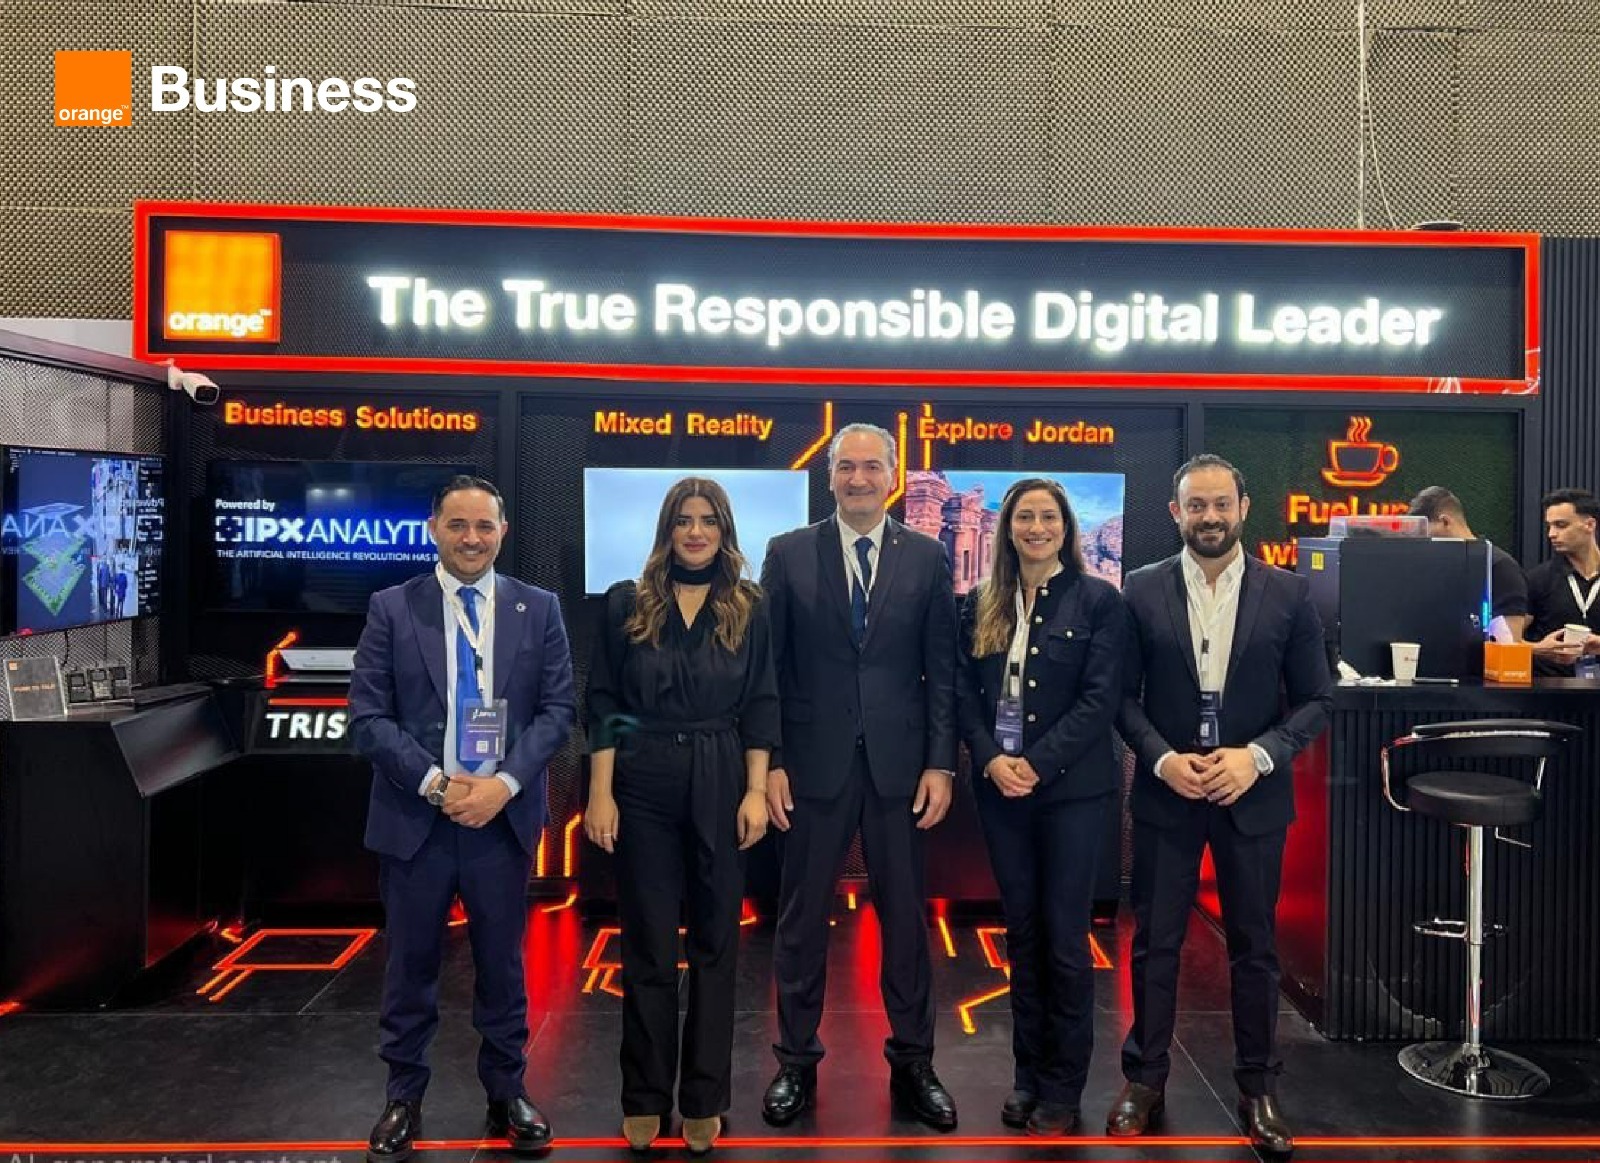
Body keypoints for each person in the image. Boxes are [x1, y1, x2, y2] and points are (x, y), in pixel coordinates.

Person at [349, 475, 576, 1163]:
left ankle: (507, 1092)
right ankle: (403, 1096)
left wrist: (501, 785)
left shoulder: (538, 608)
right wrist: (437, 783)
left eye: (483, 525)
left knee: (502, 965)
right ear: (433, 529)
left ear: (503, 531)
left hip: (499, 821)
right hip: (417, 818)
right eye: (457, 525)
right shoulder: (392, 607)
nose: (471, 538)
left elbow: (558, 711)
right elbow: (368, 717)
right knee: (409, 964)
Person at [1110, 455, 1332, 1158]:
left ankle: (1258, 1089)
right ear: (1176, 512)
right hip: (1168, 792)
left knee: (1255, 949)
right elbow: (1120, 697)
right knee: (1155, 944)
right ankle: (1144, 1079)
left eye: (1220, 504)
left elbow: (1318, 699)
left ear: (1243, 507)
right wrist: (1162, 759)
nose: (1209, 517)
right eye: (1196, 506)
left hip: (1252, 795)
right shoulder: (1141, 588)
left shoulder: (1289, 593)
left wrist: (1257, 756)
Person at [759, 422, 960, 1131]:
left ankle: (914, 1062)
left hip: (901, 768)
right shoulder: (788, 552)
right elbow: (769, 669)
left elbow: (942, 671)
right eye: (846, 466)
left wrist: (941, 761)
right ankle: (794, 1060)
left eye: (872, 466)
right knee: (800, 919)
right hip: (810, 765)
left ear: (894, 476)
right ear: (831, 477)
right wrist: (771, 761)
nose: (859, 478)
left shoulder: (928, 556)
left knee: (905, 920)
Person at [583, 477, 778, 1155]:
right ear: (667, 529)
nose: (696, 532)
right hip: (641, 778)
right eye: (684, 520)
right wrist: (600, 791)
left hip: (722, 774)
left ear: (725, 531)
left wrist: (756, 790)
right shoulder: (626, 602)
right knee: (648, 943)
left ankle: (703, 1097)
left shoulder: (749, 606)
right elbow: (604, 701)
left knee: (716, 942)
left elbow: (762, 702)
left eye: (708, 521)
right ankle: (643, 1095)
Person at [954, 478, 1127, 1136]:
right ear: (1007, 527)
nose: (1035, 527)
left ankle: (1062, 1085)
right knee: (1022, 934)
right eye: (1023, 516)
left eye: (1047, 516)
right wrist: (990, 759)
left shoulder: (1098, 600)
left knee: (1065, 939)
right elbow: (963, 695)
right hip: (1001, 792)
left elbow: (1100, 699)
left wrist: (1036, 763)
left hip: (1071, 793)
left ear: (1066, 527)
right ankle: (1026, 1075)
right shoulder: (981, 602)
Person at [1406, 486, 1529, 638]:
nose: (1425, 542)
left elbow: (1509, 641)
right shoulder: (1436, 568)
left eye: (1426, 533)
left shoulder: (1499, 566)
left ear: (1445, 522)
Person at [1523, 487, 1600, 674]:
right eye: (1549, 526)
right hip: (1549, 686)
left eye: (1561, 525)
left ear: (1589, 525)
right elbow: (1504, 640)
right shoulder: (1537, 579)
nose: (1551, 534)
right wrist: (1538, 648)